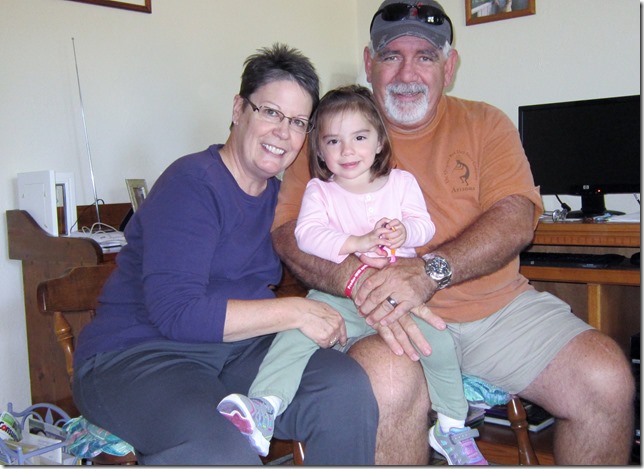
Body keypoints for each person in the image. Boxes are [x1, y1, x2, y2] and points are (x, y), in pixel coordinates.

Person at [271, 0, 635, 465]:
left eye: (425, 56)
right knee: (389, 385)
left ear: (449, 66)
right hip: (375, 315)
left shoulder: (486, 123)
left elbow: (516, 216)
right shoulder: (331, 132)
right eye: (391, 56)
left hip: (494, 312)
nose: (407, 73)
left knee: (606, 378)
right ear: (369, 62)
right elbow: (288, 232)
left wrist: (428, 271)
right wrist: (357, 281)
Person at [71, 43, 378, 465]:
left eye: (297, 122)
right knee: (224, 449)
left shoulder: (283, 200)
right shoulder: (192, 184)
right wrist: (296, 312)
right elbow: (177, 312)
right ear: (238, 109)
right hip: (139, 355)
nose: (283, 132)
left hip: (235, 350)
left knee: (343, 388)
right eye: (270, 112)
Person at [218, 84, 487, 464]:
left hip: (397, 294)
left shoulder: (401, 183)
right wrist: (356, 242)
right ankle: (265, 405)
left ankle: (451, 425)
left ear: (379, 142)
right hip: (339, 298)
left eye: (359, 137)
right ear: (320, 151)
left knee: (439, 344)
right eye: (333, 141)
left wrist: (406, 232)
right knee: (296, 333)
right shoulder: (320, 191)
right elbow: (307, 234)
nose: (347, 150)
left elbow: (424, 226)